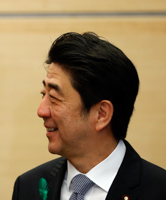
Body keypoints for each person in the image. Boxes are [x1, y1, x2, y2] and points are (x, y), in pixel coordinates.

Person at [12, 32, 166, 200]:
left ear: (101, 114)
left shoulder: (158, 190)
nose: (41, 111)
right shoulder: (28, 186)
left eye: (54, 98)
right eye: (43, 94)